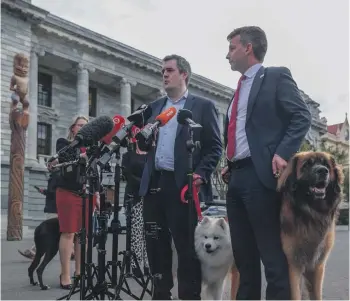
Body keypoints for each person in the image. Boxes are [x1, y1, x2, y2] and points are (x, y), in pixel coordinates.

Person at [222, 26, 312, 299]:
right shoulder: (237, 90)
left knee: (273, 260)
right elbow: (245, 131)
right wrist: (231, 159)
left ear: (248, 48)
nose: (227, 55)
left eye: (232, 48)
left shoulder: (275, 76)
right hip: (236, 179)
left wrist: (282, 153)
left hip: (262, 178)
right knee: (244, 261)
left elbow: (301, 116)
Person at [139, 54, 222, 300]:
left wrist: (201, 173)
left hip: (184, 185)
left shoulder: (202, 106)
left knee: (186, 247)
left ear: (183, 74)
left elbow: (215, 147)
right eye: (162, 71)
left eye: (169, 70)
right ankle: (161, 293)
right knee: (156, 244)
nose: (164, 74)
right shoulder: (155, 108)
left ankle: (189, 296)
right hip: (155, 184)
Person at [49, 115, 98, 289]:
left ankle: (79, 273)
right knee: (68, 232)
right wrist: (82, 149)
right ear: (73, 128)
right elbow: (66, 157)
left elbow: (94, 171)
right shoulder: (64, 143)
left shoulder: (92, 147)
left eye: (87, 126)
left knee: (82, 235)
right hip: (68, 192)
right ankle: (65, 274)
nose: (84, 128)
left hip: (87, 194)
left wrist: (97, 193)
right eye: (81, 125)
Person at [18, 171, 76, 260]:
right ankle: (72, 252)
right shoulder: (59, 176)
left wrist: (46, 192)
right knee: (61, 232)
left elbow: (55, 193)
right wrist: (45, 192)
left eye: (50, 163)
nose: (48, 165)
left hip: (54, 209)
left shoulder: (56, 176)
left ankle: (34, 251)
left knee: (48, 231)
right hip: (57, 208)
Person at [121, 126, 149, 277]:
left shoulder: (151, 155)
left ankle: (147, 264)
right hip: (134, 196)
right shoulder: (128, 156)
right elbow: (128, 175)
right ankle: (135, 265)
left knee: (147, 233)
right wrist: (144, 184)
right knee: (135, 232)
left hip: (149, 198)